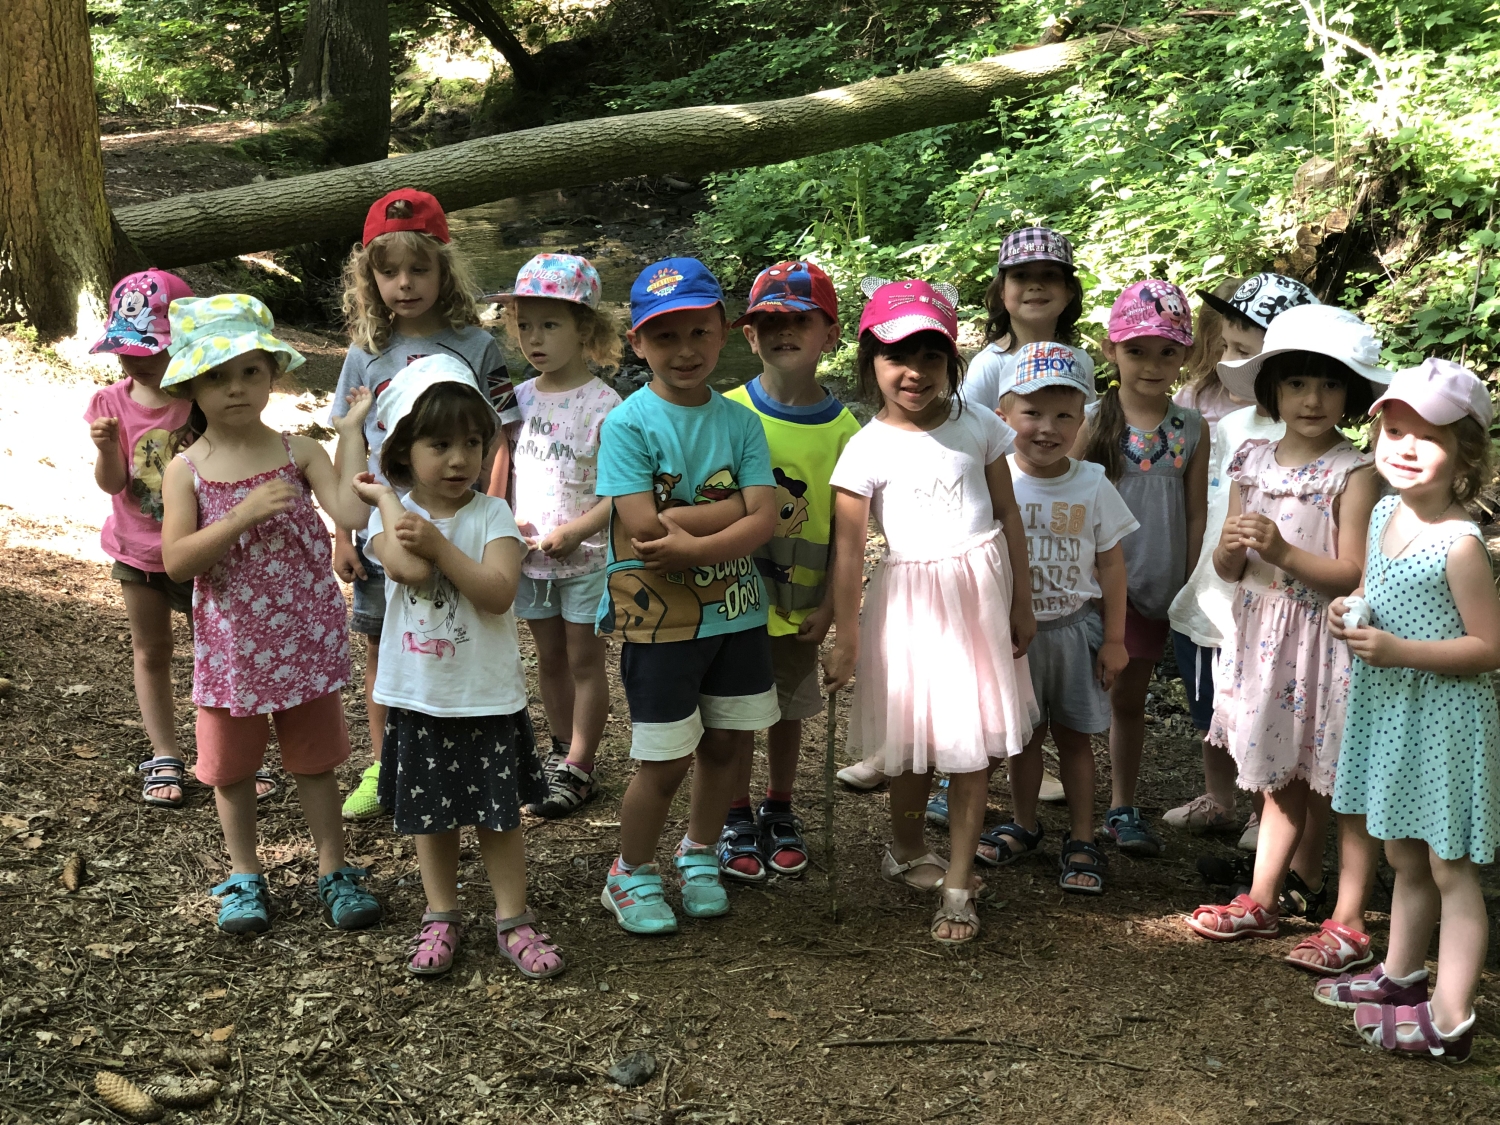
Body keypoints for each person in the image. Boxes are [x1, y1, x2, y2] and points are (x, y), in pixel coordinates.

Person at [823, 277, 1037, 945]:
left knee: (971, 745)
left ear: (952, 360)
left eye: (930, 355)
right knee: (913, 746)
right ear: (870, 362)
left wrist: (1023, 600)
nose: (914, 372)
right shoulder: (865, 448)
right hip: (911, 607)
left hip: (980, 600)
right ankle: (908, 845)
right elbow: (848, 549)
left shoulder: (980, 425)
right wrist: (847, 636)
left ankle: (958, 884)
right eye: (896, 356)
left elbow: (1008, 514)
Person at [158, 295, 379, 935]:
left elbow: (353, 512)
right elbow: (176, 562)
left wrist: (351, 434)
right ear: (191, 387)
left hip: (303, 640)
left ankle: (334, 869)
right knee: (231, 770)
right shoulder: (185, 471)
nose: (235, 388)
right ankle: (244, 876)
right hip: (232, 652)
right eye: (216, 376)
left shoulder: (299, 451)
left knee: (315, 760)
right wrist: (240, 516)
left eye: (250, 371)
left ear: (272, 375)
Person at [351, 355, 564, 979]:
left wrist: (441, 543)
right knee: (431, 817)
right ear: (401, 450)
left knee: (499, 816)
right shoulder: (387, 516)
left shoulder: (492, 514)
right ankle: (440, 913)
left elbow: (497, 592)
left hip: (486, 696)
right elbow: (408, 569)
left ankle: (513, 917)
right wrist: (385, 500)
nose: (459, 459)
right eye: (439, 444)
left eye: (472, 442)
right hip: (421, 698)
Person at [1184, 305, 1385, 960]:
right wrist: (1233, 550)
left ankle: (1348, 918)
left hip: (1325, 644)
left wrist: (1284, 552)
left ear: (1352, 394)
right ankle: (1263, 897)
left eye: (1329, 385)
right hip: (1264, 637)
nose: (1312, 399)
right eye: (1297, 383)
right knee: (1279, 778)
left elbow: (1352, 573)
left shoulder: (1353, 472)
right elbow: (1229, 566)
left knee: (1340, 784)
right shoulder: (1252, 460)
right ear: (1273, 389)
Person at [595, 258, 780, 935]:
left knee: (727, 744)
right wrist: (733, 511)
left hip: (737, 613)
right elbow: (645, 529)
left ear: (724, 333)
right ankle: (629, 871)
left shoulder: (740, 422)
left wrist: (699, 536)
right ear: (637, 343)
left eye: (699, 332)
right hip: (662, 622)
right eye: (665, 336)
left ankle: (699, 851)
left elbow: (766, 517)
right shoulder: (628, 424)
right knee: (666, 756)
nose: (685, 350)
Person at [1323, 359, 1500, 1062]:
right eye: (1394, 431)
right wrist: (1350, 607)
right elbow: (1375, 589)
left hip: (1446, 720)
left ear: (1465, 454)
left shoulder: (1459, 546)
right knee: (1401, 848)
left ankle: (1451, 1018)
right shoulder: (1382, 512)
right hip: (1394, 711)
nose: (1404, 447)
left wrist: (1400, 650)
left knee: (1450, 864)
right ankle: (1401, 975)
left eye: (1427, 437)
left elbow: (1489, 647)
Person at [330, 188, 520, 822]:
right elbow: (351, 442)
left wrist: (494, 506)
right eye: (389, 272)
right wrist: (343, 534)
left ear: (445, 270)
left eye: (419, 269)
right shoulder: (364, 353)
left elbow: (502, 434)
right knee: (384, 640)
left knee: (459, 632)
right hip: (385, 522)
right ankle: (385, 762)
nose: (405, 284)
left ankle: (471, 746)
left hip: (465, 516)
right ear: (370, 279)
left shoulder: (477, 345)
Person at [904, 226, 1084, 811]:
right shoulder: (988, 365)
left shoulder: (1078, 360)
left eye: (1049, 276)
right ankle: (949, 771)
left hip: (1056, 520)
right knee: (978, 649)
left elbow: (1078, 437)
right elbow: (963, 439)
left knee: (1033, 650)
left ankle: (1022, 762)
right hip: (992, 523)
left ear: (1069, 290)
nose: (1035, 287)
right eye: (1021, 277)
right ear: (1001, 291)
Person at [717, 260, 860, 880]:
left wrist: (831, 608)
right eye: (769, 322)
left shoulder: (846, 432)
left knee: (787, 710)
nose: (784, 332)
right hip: (729, 601)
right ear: (749, 336)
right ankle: (733, 811)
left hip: (798, 608)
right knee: (732, 711)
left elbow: (850, 536)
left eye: (800, 320)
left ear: (830, 335)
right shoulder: (726, 412)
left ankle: (779, 805)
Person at [978, 343, 1137, 893]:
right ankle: (1024, 823)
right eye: (1032, 413)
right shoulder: (995, 479)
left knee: (1074, 738)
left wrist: (1114, 638)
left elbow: (1111, 564)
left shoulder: (1091, 482)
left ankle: (1083, 837)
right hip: (1012, 637)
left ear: (1082, 420)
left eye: (1064, 415)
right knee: (1022, 739)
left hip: (1073, 631)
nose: (1047, 428)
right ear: (1002, 415)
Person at [1164, 274, 1316, 847]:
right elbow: (1208, 503)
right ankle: (1220, 798)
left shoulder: (1305, 432)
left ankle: (1263, 811)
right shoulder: (1229, 426)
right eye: (1227, 348)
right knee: (1210, 700)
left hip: (1274, 593)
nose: (1229, 363)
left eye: (1243, 353)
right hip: (1215, 582)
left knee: (1262, 701)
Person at [1076, 280, 1209, 856]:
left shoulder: (1193, 428)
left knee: (1128, 700)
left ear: (1184, 356)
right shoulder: (1088, 419)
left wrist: (1190, 582)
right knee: (1068, 696)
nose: (1152, 365)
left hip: (1156, 587)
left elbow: (1196, 512)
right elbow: (1065, 496)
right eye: (1137, 351)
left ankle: (1121, 804)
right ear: (1112, 350)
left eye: (1166, 352)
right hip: (1090, 587)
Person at [492, 254, 622, 818]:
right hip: (530, 560)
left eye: (550, 324)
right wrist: (502, 522)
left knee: (585, 660)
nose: (534, 339)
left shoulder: (605, 405)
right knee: (548, 658)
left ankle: (581, 765)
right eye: (524, 325)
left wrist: (577, 530)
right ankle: (560, 749)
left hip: (586, 558)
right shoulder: (516, 399)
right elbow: (499, 471)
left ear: (584, 329)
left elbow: (621, 492)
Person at [84, 269, 197, 809]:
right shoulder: (110, 402)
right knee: (151, 650)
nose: (134, 359)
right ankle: (165, 752)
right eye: (124, 348)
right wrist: (107, 449)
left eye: (149, 347)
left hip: (199, 551)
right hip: (136, 550)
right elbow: (112, 484)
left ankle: (229, 748)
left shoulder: (200, 400)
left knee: (217, 653)